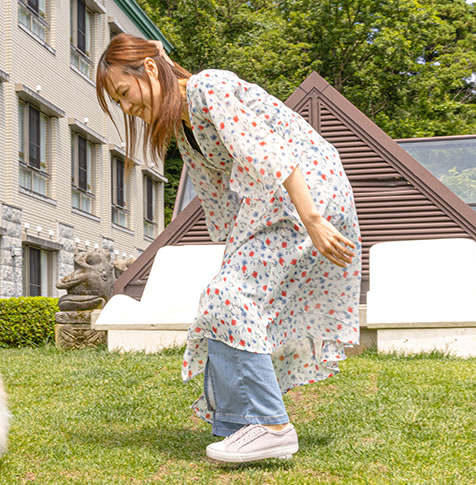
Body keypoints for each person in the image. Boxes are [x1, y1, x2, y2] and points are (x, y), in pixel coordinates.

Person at [95, 33, 362, 463]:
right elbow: (223, 197)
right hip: (273, 201)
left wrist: (313, 219)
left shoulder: (208, 87)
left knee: (227, 295)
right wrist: (233, 258)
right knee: (221, 297)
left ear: (146, 71)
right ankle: (240, 426)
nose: (127, 109)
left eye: (124, 94)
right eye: (119, 103)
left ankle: (272, 427)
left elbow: (269, 153)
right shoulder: (183, 122)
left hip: (305, 191)